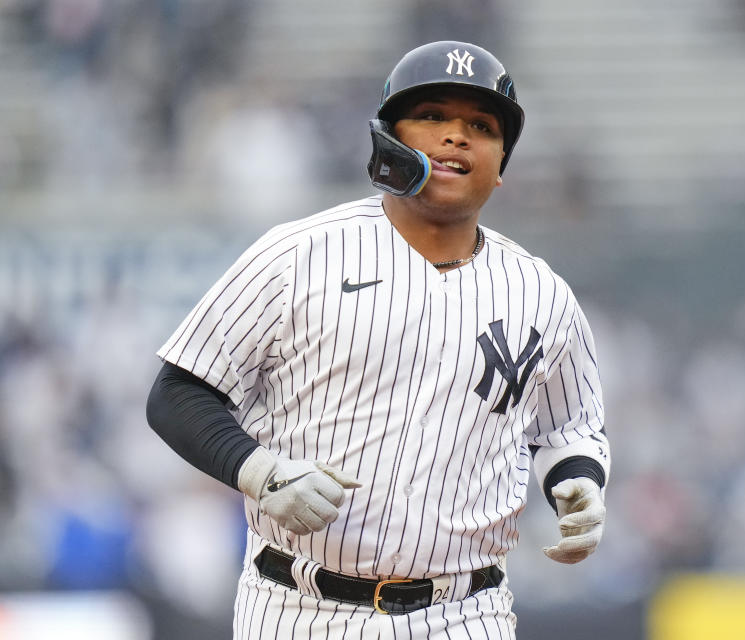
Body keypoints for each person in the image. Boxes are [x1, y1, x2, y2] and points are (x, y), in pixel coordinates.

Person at [146, 40, 610, 639]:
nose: (456, 137)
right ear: (388, 138)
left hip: (466, 612)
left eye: (481, 125)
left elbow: (569, 428)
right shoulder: (299, 255)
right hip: (299, 607)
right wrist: (260, 471)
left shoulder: (541, 293)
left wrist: (579, 482)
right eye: (432, 116)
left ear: (501, 167)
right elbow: (178, 392)